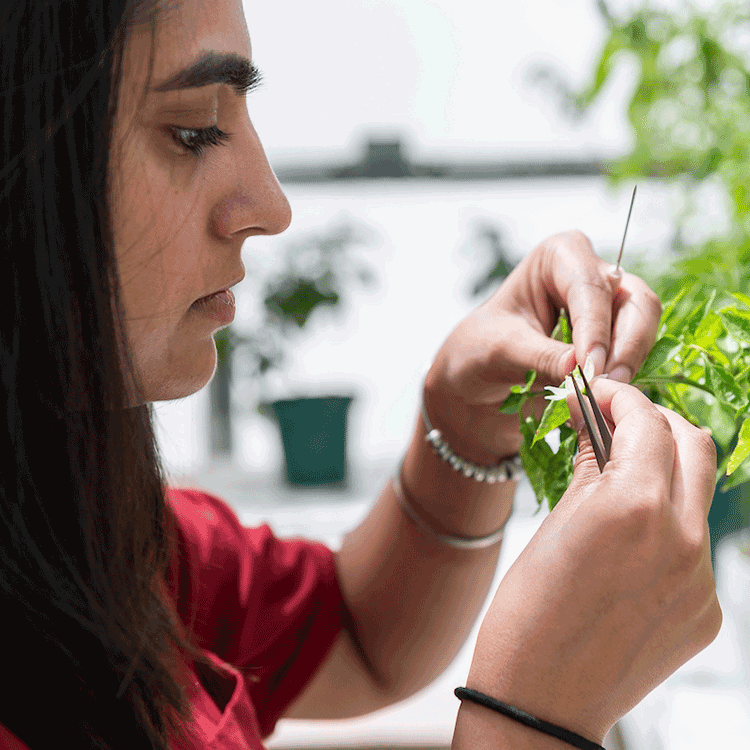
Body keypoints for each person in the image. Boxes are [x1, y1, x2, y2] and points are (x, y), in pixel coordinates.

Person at [0, 0, 721, 748]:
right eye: (192, 131)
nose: (273, 208)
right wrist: (530, 721)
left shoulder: (86, 531)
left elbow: (359, 638)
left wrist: (467, 427)